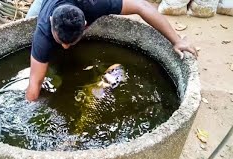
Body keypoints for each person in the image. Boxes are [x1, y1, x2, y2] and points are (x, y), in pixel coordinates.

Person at [25, 0, 198, 102]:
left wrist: (176, 40)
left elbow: (142, 6)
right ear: (50, 21)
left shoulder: (96, 4)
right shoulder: (43, 31)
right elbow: (34, 84)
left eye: (71, 42)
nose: (65, 47)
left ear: (85, 24)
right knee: (30, 29)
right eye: (60, 41)